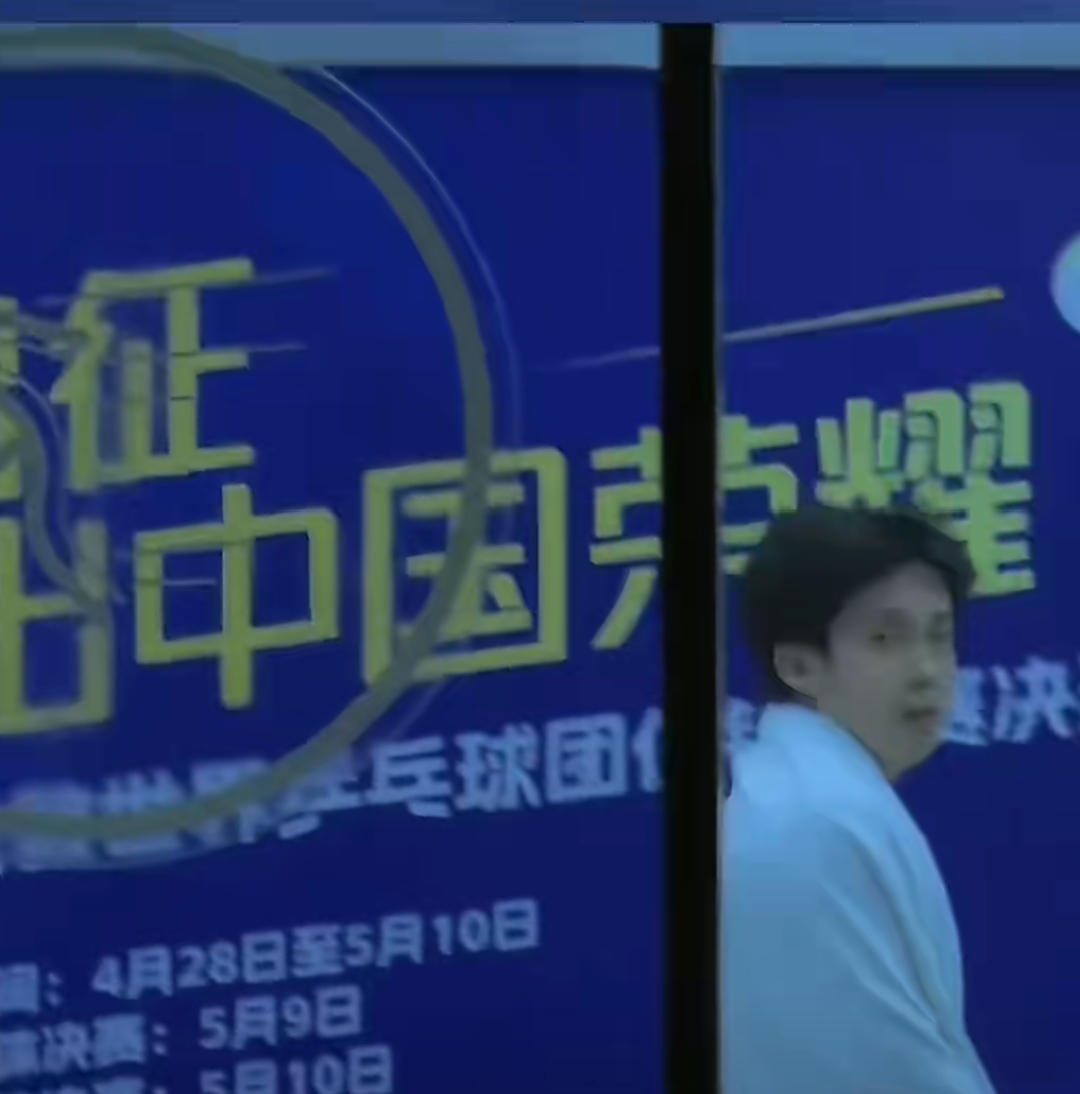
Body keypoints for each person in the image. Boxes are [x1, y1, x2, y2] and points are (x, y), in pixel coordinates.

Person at [722, 504, 997, 1094]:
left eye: (939, 636)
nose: (926, 670)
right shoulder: (817, 824)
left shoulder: (800, 792)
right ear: (798, 664)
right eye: (884, 639)